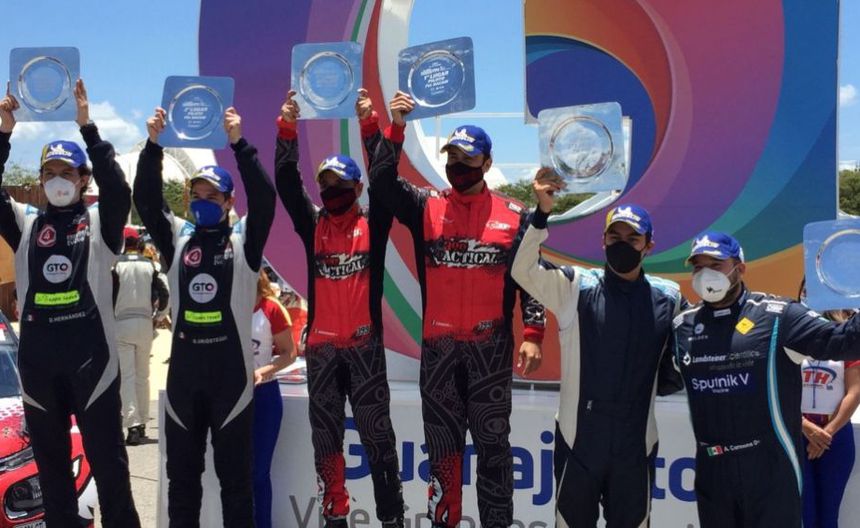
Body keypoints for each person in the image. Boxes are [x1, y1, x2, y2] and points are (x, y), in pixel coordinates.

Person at [369, 92, 546, 528]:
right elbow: (382, 182)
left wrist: (533, 334)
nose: (458, 166)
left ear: (487, 163)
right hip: (440, 356)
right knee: (443, 458)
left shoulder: (516, 215)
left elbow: (531, 278)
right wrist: (396, 127)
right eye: (452, 157)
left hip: (490, 355)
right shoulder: (426, 205)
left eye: (468, 159)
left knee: (494, 455)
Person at [510, 169, 686, 527]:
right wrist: (541, 213)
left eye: (633, 238)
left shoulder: (670, 297)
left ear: (649, 245)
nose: (623, 244)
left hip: (636, 445)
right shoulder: (576, 286)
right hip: (579, 442)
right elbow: (522, 270)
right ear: (603, 240)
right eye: (614, 236)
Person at [0, 81, 141, 526]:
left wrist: (88, 128)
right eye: (50, 173)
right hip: (39, 369)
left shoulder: (99, 222)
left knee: (111, 473)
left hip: (93, 367)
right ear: (41, 180)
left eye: (67, 172)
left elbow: (119, 190)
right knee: (53, 480)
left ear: (83, 179)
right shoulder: (26, 223)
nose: (57, 180)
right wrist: (4, 133)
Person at [135, 105, 276, 527]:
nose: (202, 203)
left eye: (212, 197)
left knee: (236, 486)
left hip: (231, 382)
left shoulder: (244, 239)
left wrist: (239, 143)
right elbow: (146, 201)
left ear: (230, 202)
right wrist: (153, 146)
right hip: (185, 381)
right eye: (196, 196)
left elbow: (265, 198)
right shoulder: (178, 238)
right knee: (182, 484)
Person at [275, 88, 405, 527]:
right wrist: (286, 128)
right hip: (322, 354)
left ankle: (392, 520)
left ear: (358, 188)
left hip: (365, 352)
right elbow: (286, 181)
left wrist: (371, 124)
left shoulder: (373, 223)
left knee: (379, 443)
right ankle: (335, 519)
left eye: (340, 185)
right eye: (325, 184)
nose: (331, 191)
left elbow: (386, 175)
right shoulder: (312, 224)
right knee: (327, 445)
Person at [671, 231, 860, 528]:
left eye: (716, 265)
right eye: (698, 267)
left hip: (770, 471)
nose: (706, 274)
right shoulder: (682, 326)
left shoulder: (778, 316)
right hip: (713, 473)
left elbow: (845, 341)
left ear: (740, 268)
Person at [796, 281, 860, 528]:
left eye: (814, 289)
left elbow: (855, 392)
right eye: (805, 290)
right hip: (797, 432)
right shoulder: (790, 334)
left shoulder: (847, 336)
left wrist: (827, 433)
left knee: (828, 517)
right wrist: (805, 427)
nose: (808, 295)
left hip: (835, 436)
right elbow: (779, 390)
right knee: (805, 514)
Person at [112, 225, 169, 445]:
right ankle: (143, 421)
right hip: (145, 322)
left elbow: (107, 296)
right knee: (143, 375)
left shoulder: (115, 266)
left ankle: (133, 424)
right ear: (139, 243)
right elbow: (165, 293)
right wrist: (159, 315)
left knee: (126, 376)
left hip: (121, 323)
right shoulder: (151, 265)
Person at [251, 270, 297, 528]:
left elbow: (290, 353)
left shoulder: (272, 308)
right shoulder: (227, 303)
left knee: (258, 472)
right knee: (236, 473)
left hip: (264, 396)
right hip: (232, 398)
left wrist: (263, 371)